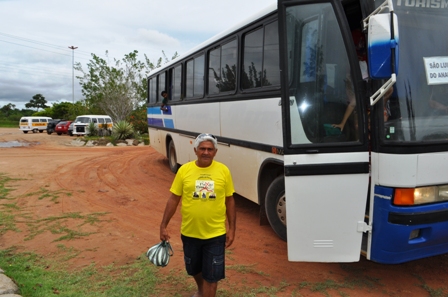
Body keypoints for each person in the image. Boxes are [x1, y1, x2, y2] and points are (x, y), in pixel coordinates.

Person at [159, 133, 236, 297]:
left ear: (215, 152)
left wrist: (232, 229)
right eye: (202, 149)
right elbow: (174, 199)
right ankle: (201, 290)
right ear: (195, 150)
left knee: (212, 277)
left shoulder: (223, 171)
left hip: (215, 234)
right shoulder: (184, 170)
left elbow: (230, 200)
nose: (206, 152)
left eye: (210, 149)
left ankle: (206, 292)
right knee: (193, 268)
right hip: (190, 232)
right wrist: (163, 225)